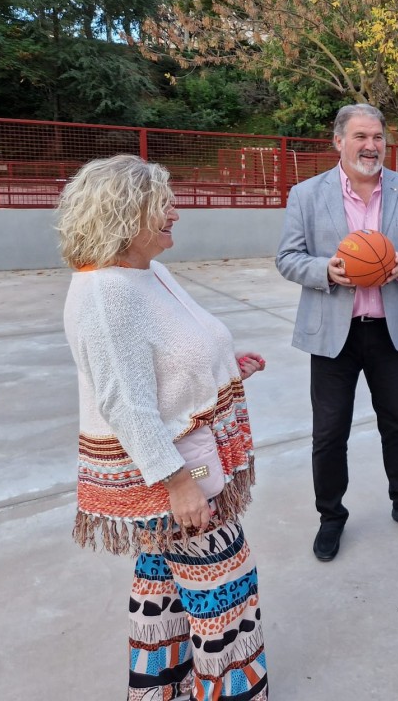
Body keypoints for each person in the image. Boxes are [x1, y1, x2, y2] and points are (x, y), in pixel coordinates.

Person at [57, 155, 269, 699]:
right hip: (175, 470)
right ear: (126, 216)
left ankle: (158, 690)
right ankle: (230, 690)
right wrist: (179, 485)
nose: (175, 211)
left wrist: (221, 366)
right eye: (162, 205)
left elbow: (173, 353)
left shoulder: (146, 273)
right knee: (224, 592)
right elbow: (124, 403)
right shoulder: (107, 295)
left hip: (186, 457)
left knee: (165, 589)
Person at [277, 103, 398, 562]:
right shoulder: (307, 194)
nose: (371, 146)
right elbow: (287, 257)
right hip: (333, 334)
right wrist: (324, 270)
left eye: (378, 138)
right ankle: (331, 517)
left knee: (397, 423)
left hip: (391, 331)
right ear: (338, 141)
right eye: (360, 137)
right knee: (329, 433)